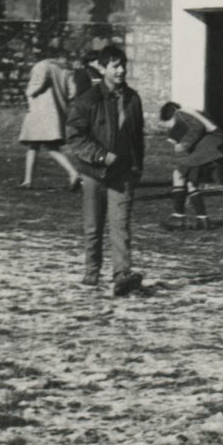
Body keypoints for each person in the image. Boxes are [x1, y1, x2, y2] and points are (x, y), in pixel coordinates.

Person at [64, 45, 145, 296]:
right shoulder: (88, 100)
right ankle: (92, 271)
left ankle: (122, 274)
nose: (121, 71)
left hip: (123, 173)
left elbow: (137, 137)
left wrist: (137, 167)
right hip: (94, 173)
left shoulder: (133, 99)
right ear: (101, 68)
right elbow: (75, 137)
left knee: (121, 226)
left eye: (123, 65)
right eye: (115, 66)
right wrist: (100, 156)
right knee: (93, 226)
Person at [17, 49, 81, 191]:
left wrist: (28, 93)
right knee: (42, 146)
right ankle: (28, 180)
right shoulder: (67, 70)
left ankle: (72, 173)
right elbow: (72, 93)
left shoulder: (42, 66)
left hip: (39, 111)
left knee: (40, 146)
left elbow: (36, 86)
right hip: (56, 111)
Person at [157, 102, 223, 229]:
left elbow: (197, 127)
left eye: (167, 125)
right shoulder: (189, 113)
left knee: (178, 174)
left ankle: (178, 218)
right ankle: (202, 220)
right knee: (190, 180)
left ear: (168, 117)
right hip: (218, 148)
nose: (169, 130)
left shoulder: (179, 115)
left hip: (210, 148)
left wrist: (184, 144)